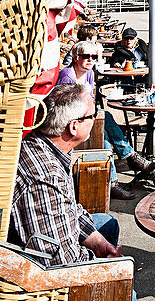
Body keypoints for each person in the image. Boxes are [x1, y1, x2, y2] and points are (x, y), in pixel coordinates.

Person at [9, 84, 122, 265]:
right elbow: (60, 262)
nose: (96, 119)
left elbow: (68, 207)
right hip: (39, 273)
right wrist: (106, 264)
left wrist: (97, 241)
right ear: (74, 127)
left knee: (108, 223)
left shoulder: (46, 145)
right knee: (125, 287)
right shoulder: (47, 178)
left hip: (49, 241)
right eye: (92, 116)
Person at [57, 41, 147, 200]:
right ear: (75, 57)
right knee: (105, 120)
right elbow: (68, 107)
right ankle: (129, 157)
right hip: (70, 124)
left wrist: (90, 113)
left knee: (104, 135)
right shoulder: (67, 75)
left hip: (85, 117)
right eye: (86, 56)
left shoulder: (89, 73)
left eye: (94, 56)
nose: (90, 60)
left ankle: (113, 181)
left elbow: (91, 99)